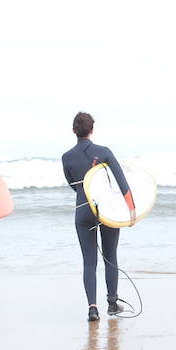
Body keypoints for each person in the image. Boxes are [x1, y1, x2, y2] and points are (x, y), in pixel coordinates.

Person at [61, 112, 136, 322]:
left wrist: (86, 199)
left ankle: (92, 309)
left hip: (83, 208)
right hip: (107, 209)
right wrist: (131, 210)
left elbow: (73, 183)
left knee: (89, 262)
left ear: (74, 130)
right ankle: (112, 303)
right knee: (110, 256)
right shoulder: (104, 152)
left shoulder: (66, 157)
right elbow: (122, 183)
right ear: (92, 129)